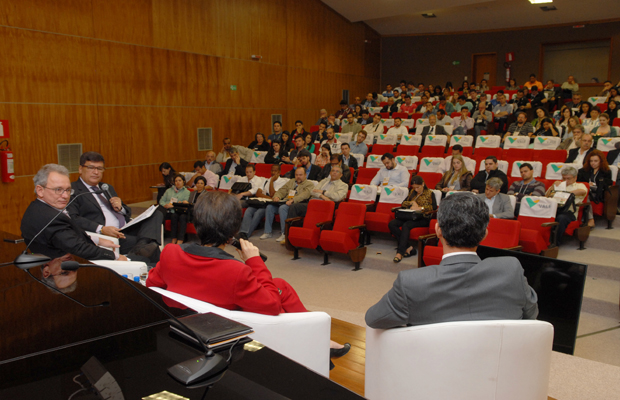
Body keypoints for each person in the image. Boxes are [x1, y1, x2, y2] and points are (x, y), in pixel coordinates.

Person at [146, 190, 351, 362]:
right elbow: (271, 306)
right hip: (228, 329)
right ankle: (316, 339)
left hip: (190, 324)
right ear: (234, 230)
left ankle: (317, 339)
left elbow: (152, 284)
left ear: (197, 222)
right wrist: (254, 261)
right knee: (278, 290)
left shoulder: (171, 253)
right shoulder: (236, 271)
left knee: (280, 285)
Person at [365, 193, 538, 329]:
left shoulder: (411, 282)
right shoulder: (511, 269)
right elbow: (531, 317)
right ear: (485, 234)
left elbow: (373, 319)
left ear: (438, 230)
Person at [68, 152, 163, 262]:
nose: (96, 172)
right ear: (80, 169)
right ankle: (143, 247)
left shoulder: (107, 187)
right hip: (107, 234)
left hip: (125, 228)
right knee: (152, 247)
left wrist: (120, 207)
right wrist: (102, 229)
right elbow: (73, 218)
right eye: (91, 168)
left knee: (157, 212)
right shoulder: (73, 190)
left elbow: (127, 212)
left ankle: (141, 244)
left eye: (100, 168)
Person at [21, 164, 126, 262]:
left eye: (68, 190)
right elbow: (78, 247)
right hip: (65, 265)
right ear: (40, 190)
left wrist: (97, 239)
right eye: (58, 190)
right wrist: (116, 257)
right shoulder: (51, 218)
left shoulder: (37, 207)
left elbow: (69, 235)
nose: (66, 196)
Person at [260, 167, 314, 242]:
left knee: (283, 208)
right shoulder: (291, 181)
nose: (298, 176)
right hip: (285, 201)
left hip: (296, 204)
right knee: (270, 207)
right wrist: (277, 196)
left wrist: (293, 200)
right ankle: (267, 231)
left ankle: (284, 233)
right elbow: (282, 190)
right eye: (296, 175)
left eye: (300, 175)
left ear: (305, 175)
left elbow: (305, 195)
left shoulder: (309, 184)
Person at [388, 175, 434, 263]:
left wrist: (420, 208)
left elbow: (433, 207)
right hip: (410, 216)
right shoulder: (412, 192)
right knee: (392, 224)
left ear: (423, 184)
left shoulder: (430, 193)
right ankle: (409, 247)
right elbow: (403, 203)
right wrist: (411, 203)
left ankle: (400, 252)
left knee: (406, 225)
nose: (416, 189)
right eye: (414, 187)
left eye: (418, 187)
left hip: (422, 218)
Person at [238, 164, 288, 239]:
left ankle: (246, 234)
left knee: (258, 213)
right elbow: (258, 193)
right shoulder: (266, 180)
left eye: (275, 171)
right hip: (261, 202)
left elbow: (273, 194)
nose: (273, 172)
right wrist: (269, 197)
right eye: (272, 170)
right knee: (248, 210)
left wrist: (271, 181)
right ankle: (242, 231)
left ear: (279, 172)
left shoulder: (282, 181)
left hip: (271, 205)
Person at [545, 166, 587, 246]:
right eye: (564, 178)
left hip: (569, 212)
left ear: (575, 178)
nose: (566, 181)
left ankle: (554, 243)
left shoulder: (579, 185)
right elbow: (546, 196)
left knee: (561, 218)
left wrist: (565, 194)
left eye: (569, 178)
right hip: (554, 209)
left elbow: (582, 191)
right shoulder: (558, 185)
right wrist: (553, 186)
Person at [577, 150, 613, 228]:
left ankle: (590, 219)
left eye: (596, 161)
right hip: (586, 190)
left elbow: (607, 184)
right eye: (591, 161)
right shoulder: (583, 171)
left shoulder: (606, 172)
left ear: (601, 161)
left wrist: (595, 184)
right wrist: (587, 185)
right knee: (585, 194)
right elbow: (578, 183)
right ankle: (581, 219)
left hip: (598, 193)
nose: (593, 163)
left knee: (586, 195)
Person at [160, 174, 191, 244]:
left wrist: (174, 205)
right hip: (167, 210)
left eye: (180, 180)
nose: (178, 182)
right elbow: (161, 200)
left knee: (176, 216)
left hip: (179, 211)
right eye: (176, 181)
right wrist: (165, 205)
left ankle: (179, 239)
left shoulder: (186, 192)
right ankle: (172, 237)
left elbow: (185, 202)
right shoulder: (168, 191)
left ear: (183, 181)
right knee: (165, 215)